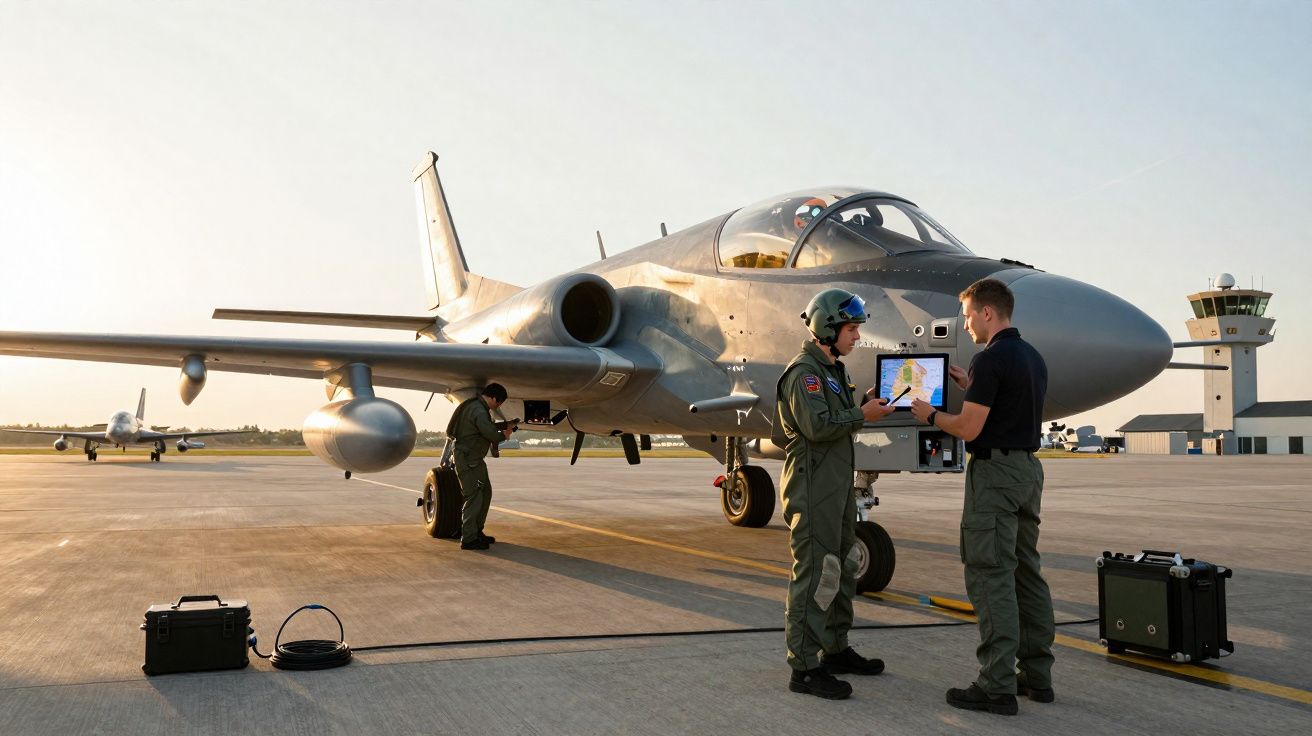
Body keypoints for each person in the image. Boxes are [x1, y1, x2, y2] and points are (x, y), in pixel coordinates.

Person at [909, 278, 1054, 716]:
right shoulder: (1032, 357)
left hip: (995, 475)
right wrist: (970, 381)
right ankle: (1038, 676)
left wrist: (930, 413)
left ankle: (995, 684)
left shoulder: (991, 359)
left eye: (969, 314)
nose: (966, 323)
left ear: (988, 313)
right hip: (1028, 471)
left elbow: (970, 429)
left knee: (990, 574)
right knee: (1026, 572)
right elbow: (1006, 402)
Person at [773, 288, 897, 699]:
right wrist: (862, 414)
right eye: (851, 328)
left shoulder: (833, 371)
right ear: (827, 327)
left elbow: (837, 418)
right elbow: (819, 426)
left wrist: (861, 405)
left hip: (837, 487)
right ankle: (804, 667)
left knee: (841, 567)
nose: (857, 337)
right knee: (815, 573)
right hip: (813, 491)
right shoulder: (803, 373)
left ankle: (835, 649)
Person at [447, 383, 514, 551]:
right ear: (493, 398)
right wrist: (504, 435)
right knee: (474, 497)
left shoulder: (475, 406)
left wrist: (503, 426)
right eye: (498, 403)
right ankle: (469, 538)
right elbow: (490, 434)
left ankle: (476, 532)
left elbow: (482, 428)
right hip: (469, 459)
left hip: (474, 459)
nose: (498, 407)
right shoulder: (478, 410)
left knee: (485, 493)